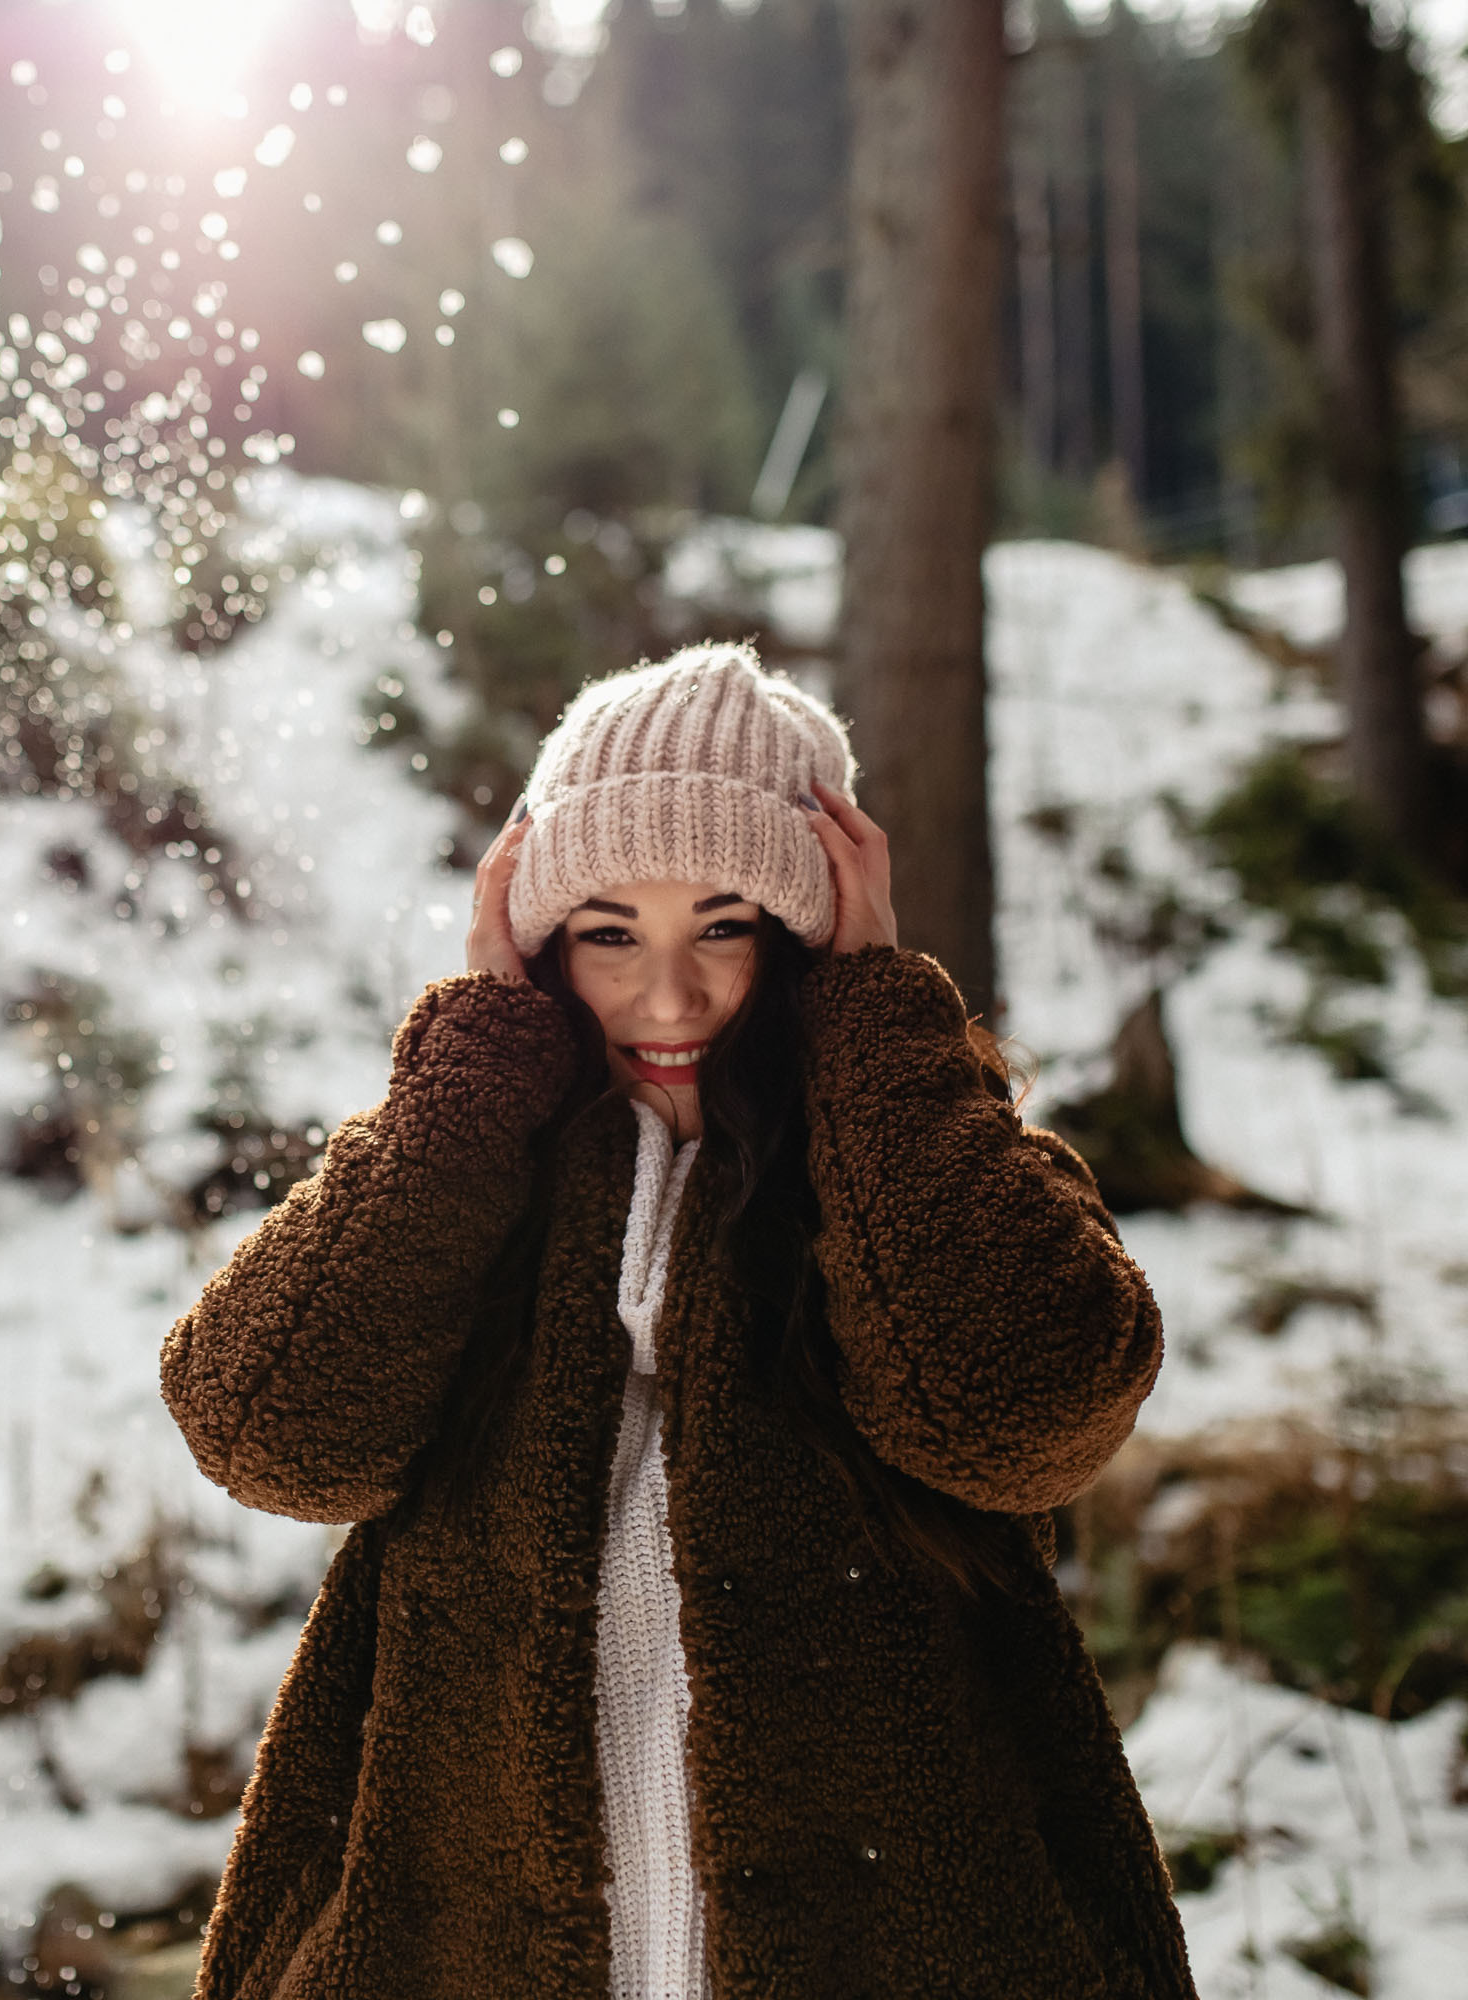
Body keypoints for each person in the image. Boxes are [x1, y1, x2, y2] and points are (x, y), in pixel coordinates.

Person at [161, 643, 1196, 2000]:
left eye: (725, 926)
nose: (670, 998)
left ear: (811, 935)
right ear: (535, 945)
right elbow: (267, 1432)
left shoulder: (936, 1161)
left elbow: (1020, 1420)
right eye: (607, 933)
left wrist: (878, 1027)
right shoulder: (461, 1175)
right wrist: (471, 1067)